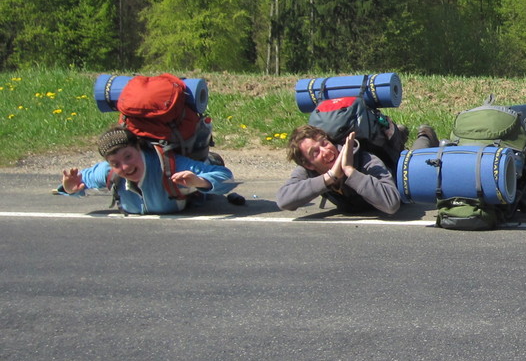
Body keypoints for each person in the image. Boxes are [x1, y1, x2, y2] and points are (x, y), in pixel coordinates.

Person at [60, 125, 237, 215]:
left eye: (128, 156)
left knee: (210, 167)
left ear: (139, 148)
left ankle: (210, 157)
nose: (125, 167)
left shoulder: (170, 166)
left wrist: (200, 182)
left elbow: (227, 178)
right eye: (115, 163)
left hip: (194, 193)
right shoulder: (107, 172)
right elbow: (77, 185)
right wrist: (70, 189)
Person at [275, 123, 436, 216]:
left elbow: (391, 203)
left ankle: (426, 135)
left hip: (398, 173)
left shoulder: (365, 159)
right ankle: (401, 134)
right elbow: (283, 201)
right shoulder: (308, 171)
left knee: (414, 162)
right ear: (309, 164)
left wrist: (350, 171)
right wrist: (330, 177)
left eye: (324, 143)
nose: (326, 151)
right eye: (315, 152)